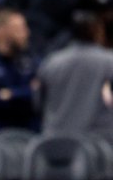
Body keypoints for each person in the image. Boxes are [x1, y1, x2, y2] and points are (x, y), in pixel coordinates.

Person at [37, 11, 113, 140]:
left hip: (55, 143)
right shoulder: (109, 61)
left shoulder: (52, 61)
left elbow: (38, 103)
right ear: (97, 31)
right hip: (99, 145)